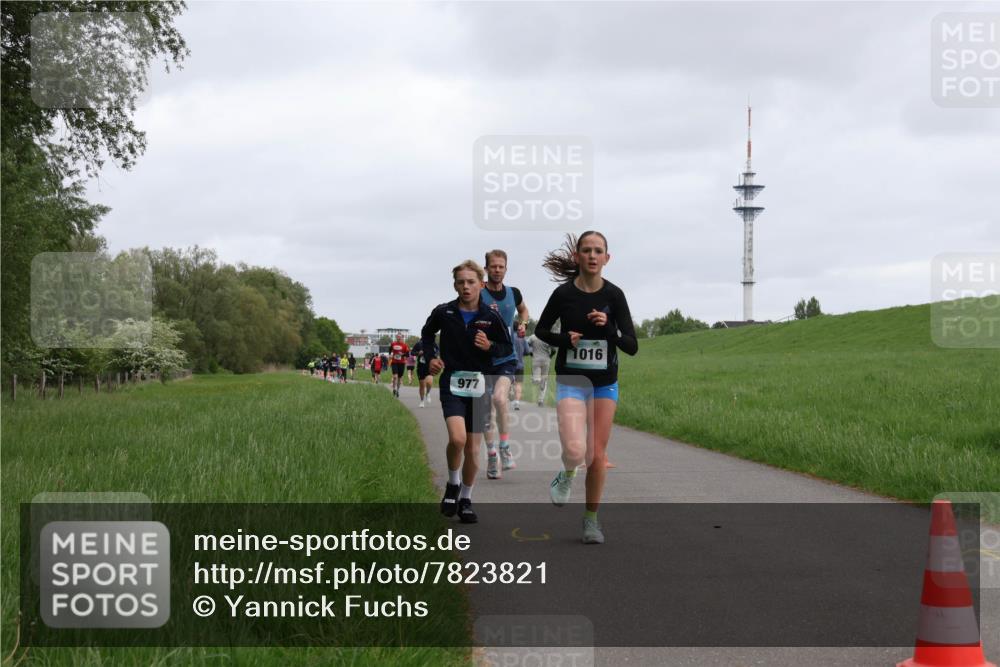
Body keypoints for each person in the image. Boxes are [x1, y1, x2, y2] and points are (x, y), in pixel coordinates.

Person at [534, 231, 638, 544]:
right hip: (571, 380)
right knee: (574, 450)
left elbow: (631, 345)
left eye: (598, 251)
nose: (592, 256)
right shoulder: (564, 295)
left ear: (607, 258)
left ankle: (591, 520)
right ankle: (566, 473)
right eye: (586, 250)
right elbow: (540, 330)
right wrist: (564, 339)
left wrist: (608, 329)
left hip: (604, 383)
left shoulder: (614, 295)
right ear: (577, 257)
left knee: (595, 455)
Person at [422, 259, 513, 524]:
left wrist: (489, 347)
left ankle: (466, 498)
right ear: (455, 285)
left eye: (471, 282)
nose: (466, 287)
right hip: (451, 383)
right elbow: (427, 335)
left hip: (479, 385)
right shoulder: (444, 312)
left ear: (481, 285)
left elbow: (507, 349)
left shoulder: (490, 316)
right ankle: (453, 483)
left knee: (473, 449)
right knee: (458, 439)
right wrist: (431, 357)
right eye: (461, 282)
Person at [480, 249, 529, 480]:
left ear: (506, 269)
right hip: (480, 359)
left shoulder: (514, 293)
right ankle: (491, 455)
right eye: (493, 266)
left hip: (506, 357)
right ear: (486, 268)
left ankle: (505, 447)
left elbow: (523, 310)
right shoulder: (478, 292)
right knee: (486, 410)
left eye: (501, 266)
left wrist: (523, 322)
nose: (497, 270)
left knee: (500, 398)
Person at [528, 331, 556, 406]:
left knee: (536, 379)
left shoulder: (533, 337)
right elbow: (553, 350)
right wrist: (550, 356)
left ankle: (537, 380)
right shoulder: (548, 337)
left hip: (536, 359)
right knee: (544, 380)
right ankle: (541, 400)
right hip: (546, 360)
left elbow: (527, 344)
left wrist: (531, 352)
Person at [412, 338, 437, 408]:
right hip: (421, 367)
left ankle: (428, 393)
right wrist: (418, 353)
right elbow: (412, 352)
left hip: (429, 366)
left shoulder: (433, 343)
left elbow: (437, 350)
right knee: (422, 385)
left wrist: (434, 355)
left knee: (429, 382)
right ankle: (422, 401)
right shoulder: (419, 344)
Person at [511, 331, 528, 410]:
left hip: (510, 364)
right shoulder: (522, 338)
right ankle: (517, 402)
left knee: (508, 382)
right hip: (520, 365)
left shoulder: (509, 336)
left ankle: (508, 397)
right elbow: (527, 351)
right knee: (518, 384)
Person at [388, 333, 409, 398]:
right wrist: (390, 354)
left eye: (400, 337)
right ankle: (394, 389)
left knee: (399, 378)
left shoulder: (405, 345)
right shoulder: (393, 344)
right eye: (397, 337)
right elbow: (390, 349)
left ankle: (397, 390)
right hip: (394, 362)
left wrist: (402, 354)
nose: (399, 338)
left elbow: (407, 355)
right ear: (396, 337)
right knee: (395, 377)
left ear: (402, 338)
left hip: (401, 363)